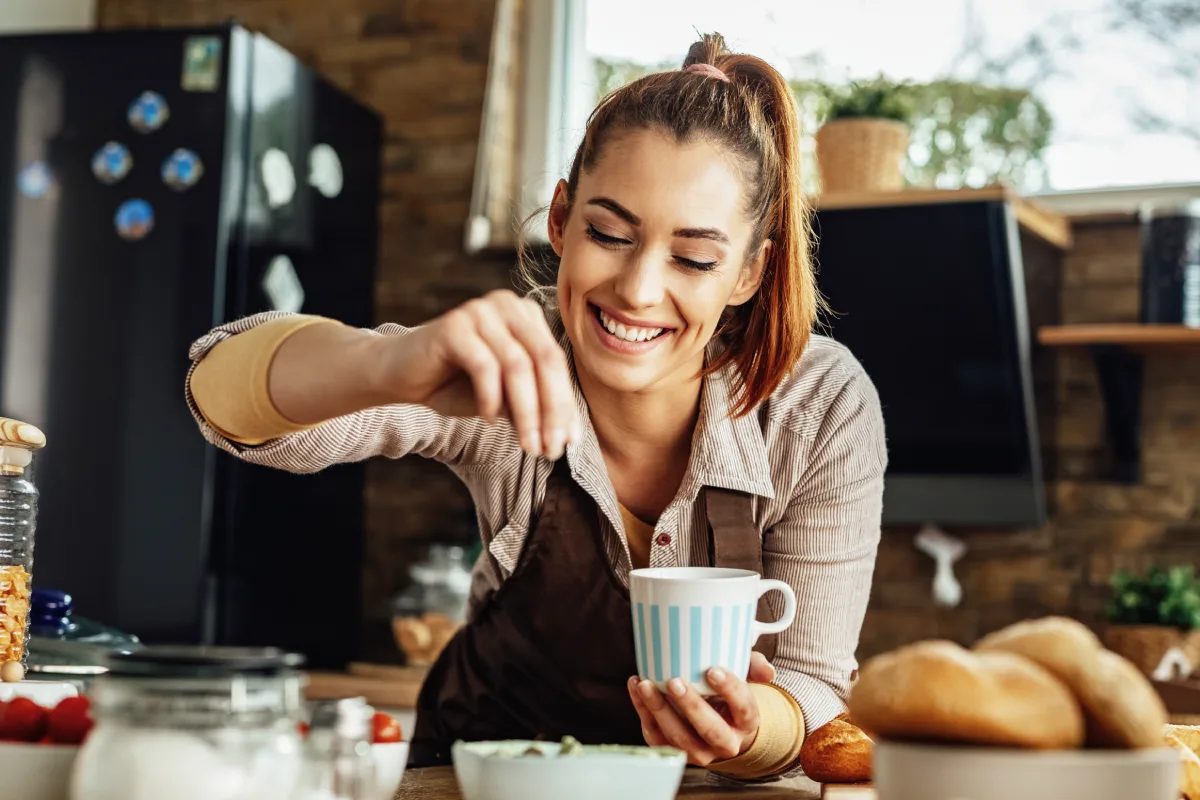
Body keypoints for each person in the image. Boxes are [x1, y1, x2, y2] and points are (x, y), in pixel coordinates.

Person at [185, 33, 886, 780]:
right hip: (481, 778)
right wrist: (388, 362)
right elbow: (215, 391)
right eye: (609, 234)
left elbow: (812, 685)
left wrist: (750, 733)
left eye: (693, 257)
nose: (640, 290)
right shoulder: (507, 361)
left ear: (750, 270)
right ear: (560, 218)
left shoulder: (819, 405)